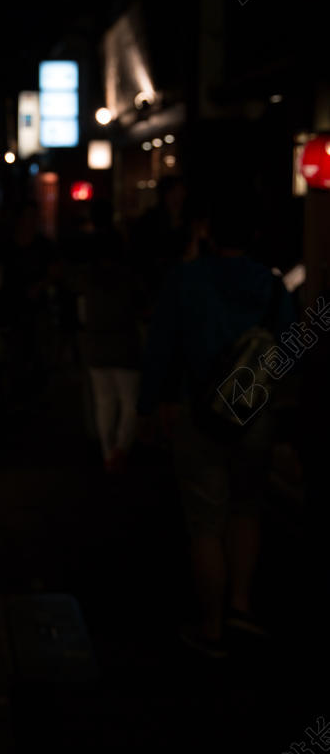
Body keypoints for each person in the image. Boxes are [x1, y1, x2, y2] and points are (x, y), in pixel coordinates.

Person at [138, 190, 295, 657]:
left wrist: (153, 404)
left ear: (207, 229)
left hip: (198, 413)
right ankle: (241, 607)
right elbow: (289, 352)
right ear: (255, 234)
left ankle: (211, 628)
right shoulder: (272, 286)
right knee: (247, 510)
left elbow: (162, 346)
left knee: (206, 520)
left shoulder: (186, 280)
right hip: (256, 415)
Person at [78, 200, 143, 472]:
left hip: (96, 346)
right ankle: (121, 448)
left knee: (104, 401)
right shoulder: (129, 277)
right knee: (129, 401)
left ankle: (108, 452)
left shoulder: (88, 279)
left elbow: (81, 314)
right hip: (125, 345)